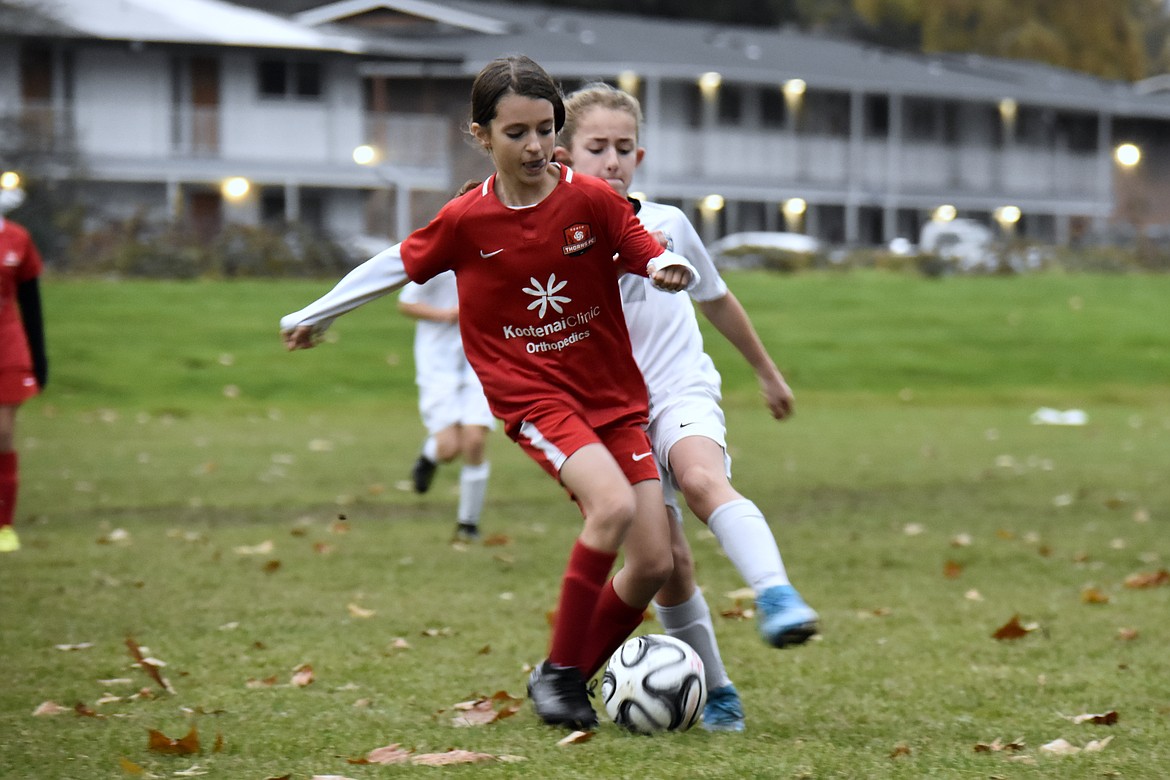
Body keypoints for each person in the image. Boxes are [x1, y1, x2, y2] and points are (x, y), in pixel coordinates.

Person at [280, 55, 699, 730]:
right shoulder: (466, 220)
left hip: (615, 399)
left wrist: (664, 264)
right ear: (482, 136)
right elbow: (393, 265)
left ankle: (559, 677)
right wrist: (316, 313)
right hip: (534, 398)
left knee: (654, 559)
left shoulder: (590, 199)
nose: (535, 146)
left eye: (545, 129)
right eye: (516, 133)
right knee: (612, 506)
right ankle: (564, 675)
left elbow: (639, 240)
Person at [556, 83, 819, 731]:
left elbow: (718, 299)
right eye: (597, 148)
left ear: (639, 155)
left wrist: (766, 371)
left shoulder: (666, 223)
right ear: (565, 156)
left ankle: (775, 594)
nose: (612, 160)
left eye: (623, 148)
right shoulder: (552, 240)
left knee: (704, 478)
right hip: (610, 418)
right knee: (668, 561)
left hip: (680, 392)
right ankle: (718, 690)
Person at [396, 270, 493, 543]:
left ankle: (468, 524)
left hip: (479, 362)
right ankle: (429, 456)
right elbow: (405, 304)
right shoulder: (436, 260)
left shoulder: (493, 253)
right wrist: (448, 315)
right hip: (438, 364)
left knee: (474, 441)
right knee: (449, 449)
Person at [0, 184, 48, 554]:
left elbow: (31, 303)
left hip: (8, 346)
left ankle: (4, 525)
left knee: (2, 435)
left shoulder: (17, 239)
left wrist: (40, 357)